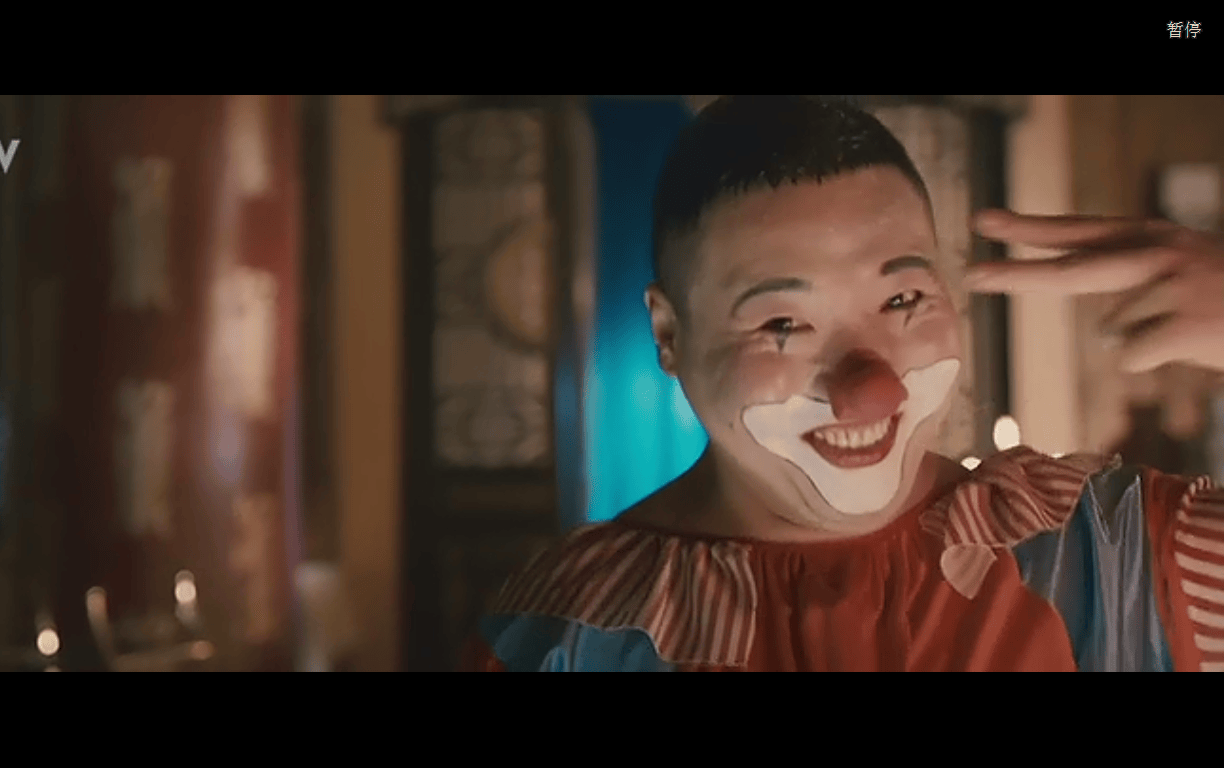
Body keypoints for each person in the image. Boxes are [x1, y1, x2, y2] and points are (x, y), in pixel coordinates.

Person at [457, 95, 1223, 672]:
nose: (872, 386)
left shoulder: (1113, 553)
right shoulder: (571, 631)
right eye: (783, 323)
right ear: (669, 334)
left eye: (902, 300)